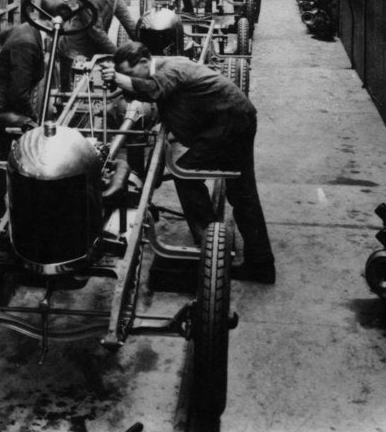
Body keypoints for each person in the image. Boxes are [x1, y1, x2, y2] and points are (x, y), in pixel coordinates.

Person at [102, 42, 275, 283]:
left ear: (143, 62)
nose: (127, 78)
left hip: (230, 123)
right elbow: (141, 90)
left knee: (187, 175)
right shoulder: (155, 68)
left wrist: (119, 79)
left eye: (129, 73)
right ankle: (259, 263)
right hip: (228, 121)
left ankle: (211, 244)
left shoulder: (172, 68)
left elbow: (153, 91)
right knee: (242, 192)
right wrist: (120, 82)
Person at [0, 0, 70, 232]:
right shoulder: (28, 44)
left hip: (1, 101)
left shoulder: (30, 30)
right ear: (50, 24)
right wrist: (34, 122)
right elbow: (19, 94)